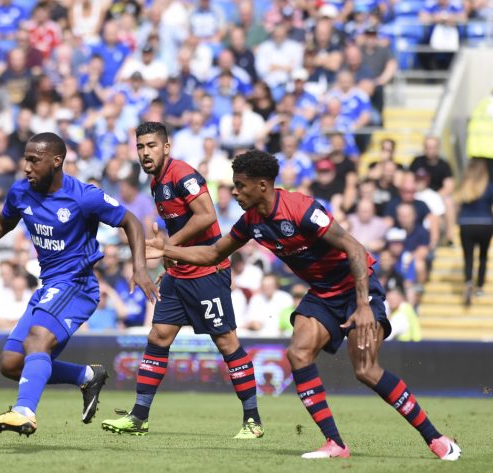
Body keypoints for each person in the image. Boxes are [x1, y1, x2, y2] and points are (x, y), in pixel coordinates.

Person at [145, 150, 460, 460]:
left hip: (356, 288)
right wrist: (167, 249)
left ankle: (435, 438)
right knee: (297, 354)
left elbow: (353, 247)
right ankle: (335, 443)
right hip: (323, 293)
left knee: (366, 370)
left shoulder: (301, 209)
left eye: (240, 185)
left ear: (263, 186)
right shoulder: (251, 221)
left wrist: (363, 305)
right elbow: (213, 255)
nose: (235, 192)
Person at [0, 132, 158, 436]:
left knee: (37, 340)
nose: (27, 167)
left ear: (56, 161)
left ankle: (24, 412)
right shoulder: (21, 192)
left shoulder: (84, 197)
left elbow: (131, 221)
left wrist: (139, 267)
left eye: (34, 160)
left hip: (77, 285)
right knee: (11, 363)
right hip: (50, 285)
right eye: (25, 159)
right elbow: (2, 224)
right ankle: (86, 375)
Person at [102, 122, 264, 438]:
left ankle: (253, 421)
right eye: (140, 147)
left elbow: (206, 217)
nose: (145, 152)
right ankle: (138, 417)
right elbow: (180, 230)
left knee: (227, 343)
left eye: (151, 145)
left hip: (207, 272)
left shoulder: (182, 174)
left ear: (166, 147)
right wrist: (169, 256)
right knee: (158, 336)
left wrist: (169, 246)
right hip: (180, 273)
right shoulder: (155, 182)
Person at [454, 158, 493, 306]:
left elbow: (455, 202)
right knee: (483, 256)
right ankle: (480, 286)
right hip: (485, 223)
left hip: (466, 223)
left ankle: (468, 281)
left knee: (468, 257)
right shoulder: (488, 186)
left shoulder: (464, 186)